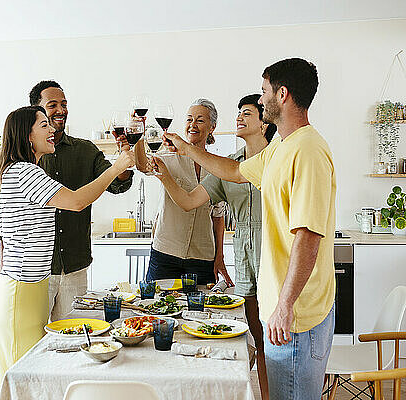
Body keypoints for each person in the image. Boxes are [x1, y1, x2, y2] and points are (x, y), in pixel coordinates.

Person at [163, 58, 335, 400]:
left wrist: (284, 306)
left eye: (264, 91)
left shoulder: (309, 150)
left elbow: (308, 236)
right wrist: (184, 148)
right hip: (281, 311)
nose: (260, 99)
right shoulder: (281, 149)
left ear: (281, 94)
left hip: (297, 317)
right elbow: (234, 170)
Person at [0, 106, 134, 398]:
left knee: (20, 379)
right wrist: (115, 168)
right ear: (27, 136)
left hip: (26, 290)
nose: (52, 129)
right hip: (21, 294)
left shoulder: (19, 171)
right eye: (43, 125)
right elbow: (78, 201)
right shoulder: (25, 171)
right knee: (20, 381)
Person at [152, 94, 276, 399]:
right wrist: (164, 173)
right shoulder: (229, 165)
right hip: (247, 267)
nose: (239, 117)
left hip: (274, 264)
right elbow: (188, 201)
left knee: (277, 346)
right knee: (258, 342)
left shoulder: (278, 159)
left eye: (246, 113)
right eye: (239, 112)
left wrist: (217, 257)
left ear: (264, 123)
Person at [29, 80, 134, 322]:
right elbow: (7, 207)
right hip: (38, 270)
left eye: (64, 104)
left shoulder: (85, 150)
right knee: (35, 343)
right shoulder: (27, 156)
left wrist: (124, 162)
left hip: (75, 267)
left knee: (74, 338)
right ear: (36, 110)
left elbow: (118, 183)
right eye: (52, 104)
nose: (61, 110)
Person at [135, 99, 229, 286]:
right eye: (189, 119)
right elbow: (141, 165)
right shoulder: (168, 156)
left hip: (202, 256)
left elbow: (218, 217)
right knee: (156, 308)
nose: (192, 125)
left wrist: (219, 257)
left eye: (200, 120)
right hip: (165, 253)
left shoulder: (217, 166)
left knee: (200, 311)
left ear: (212, 127)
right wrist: (138, 133)